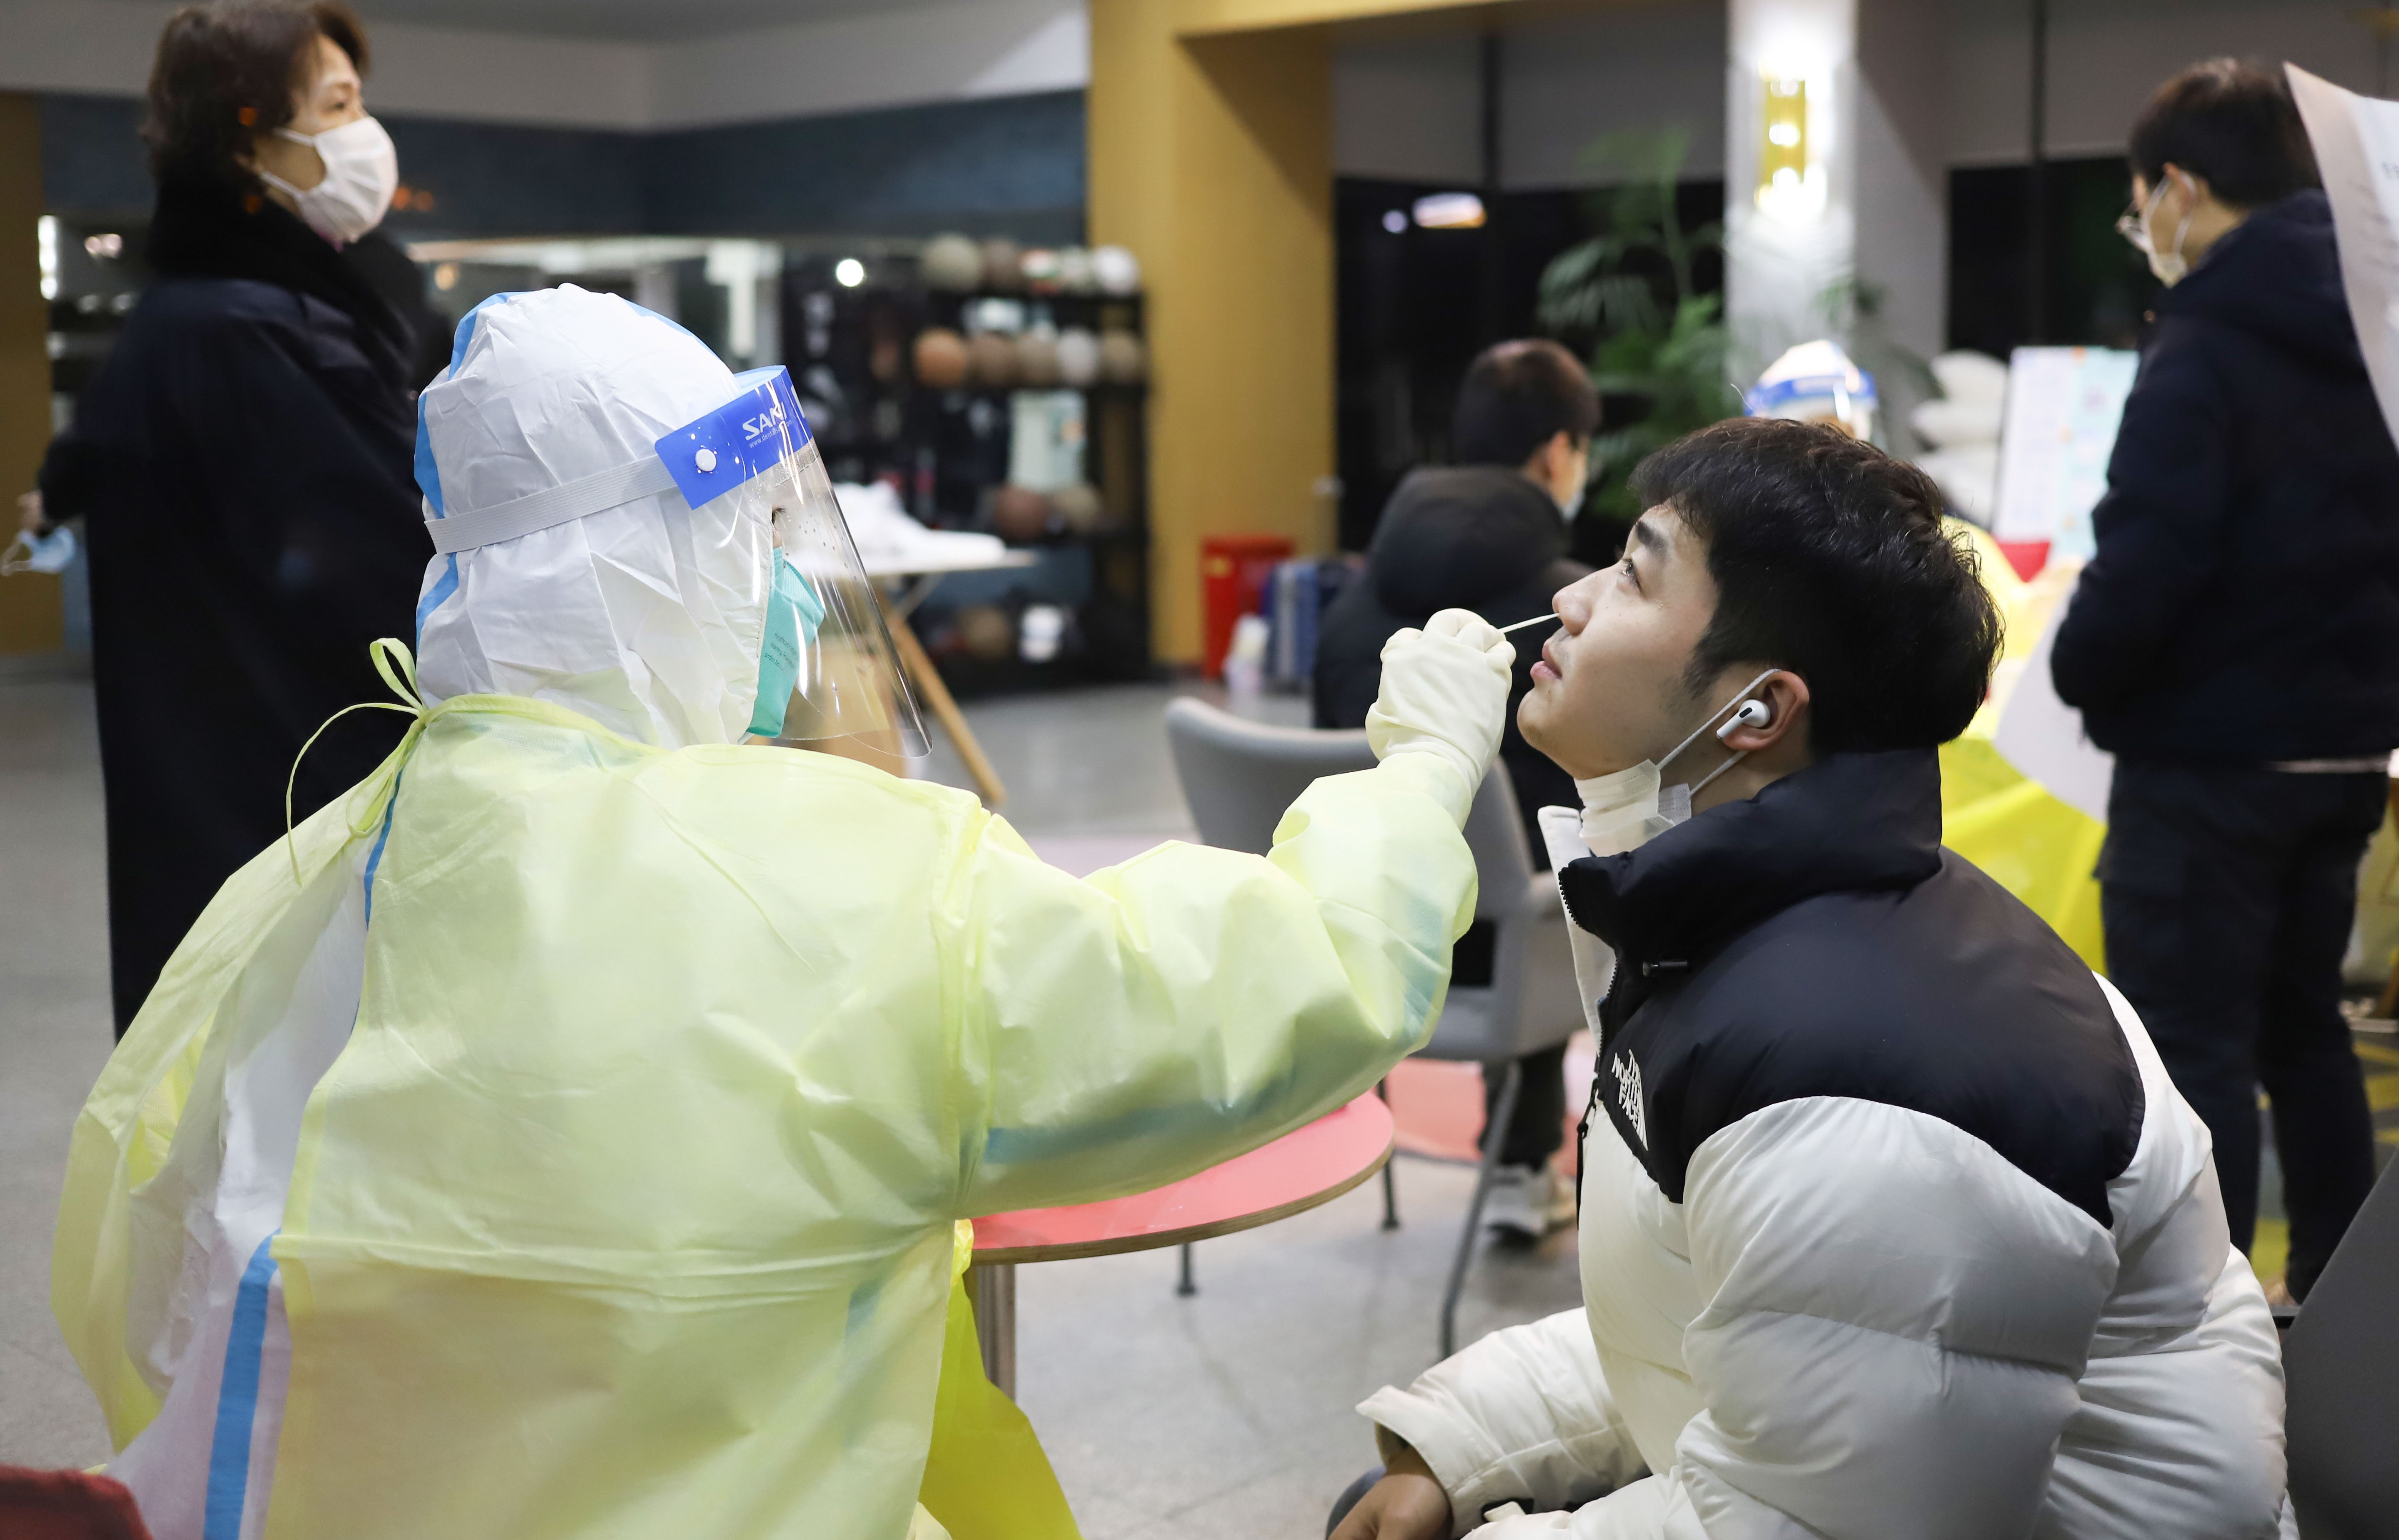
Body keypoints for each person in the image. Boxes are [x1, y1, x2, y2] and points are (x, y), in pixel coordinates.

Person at [53, 285, 1519, 1540]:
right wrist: (1418, 777)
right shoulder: (848, 886)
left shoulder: (298, 882)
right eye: (756, 538)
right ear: (660, 566)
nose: (791, 597)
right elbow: (1265, 990)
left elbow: (153, 1290)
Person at [1332, 418, 2288, 1540]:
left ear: (1758, 713)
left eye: (1634, 577)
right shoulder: (1730, 922)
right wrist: (1461, 1444)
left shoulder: (1874, 1094)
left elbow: (1799, 1523)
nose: (1573, 601)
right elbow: (1718, 1318)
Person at [2051, 58, 2399, 1306]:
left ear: (2179, 187)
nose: (2145, 231)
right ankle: (2342, 1300)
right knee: (2307, 1031)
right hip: (2345, 748)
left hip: (2208, 763)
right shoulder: (2380, 321)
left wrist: (2077, 665)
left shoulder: (2208, 339)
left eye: (2139, 206)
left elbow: (2151, 554)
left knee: (2192, 1051)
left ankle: (2203, 1325)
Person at [29, 0, 425, 1034]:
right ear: (247, 140)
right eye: (335, 107)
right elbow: (392, 556)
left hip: (255, 787)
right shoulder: (246, 332)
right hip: (280, 788)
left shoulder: (234, 310)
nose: (363, 134)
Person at [1314, 338, 1597, 1239]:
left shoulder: (1349, 612)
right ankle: (1528, 1163)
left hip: (1337, 930)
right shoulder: (1568, 621)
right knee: (1570, 856)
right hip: (1502, 960)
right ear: (1559, 452)